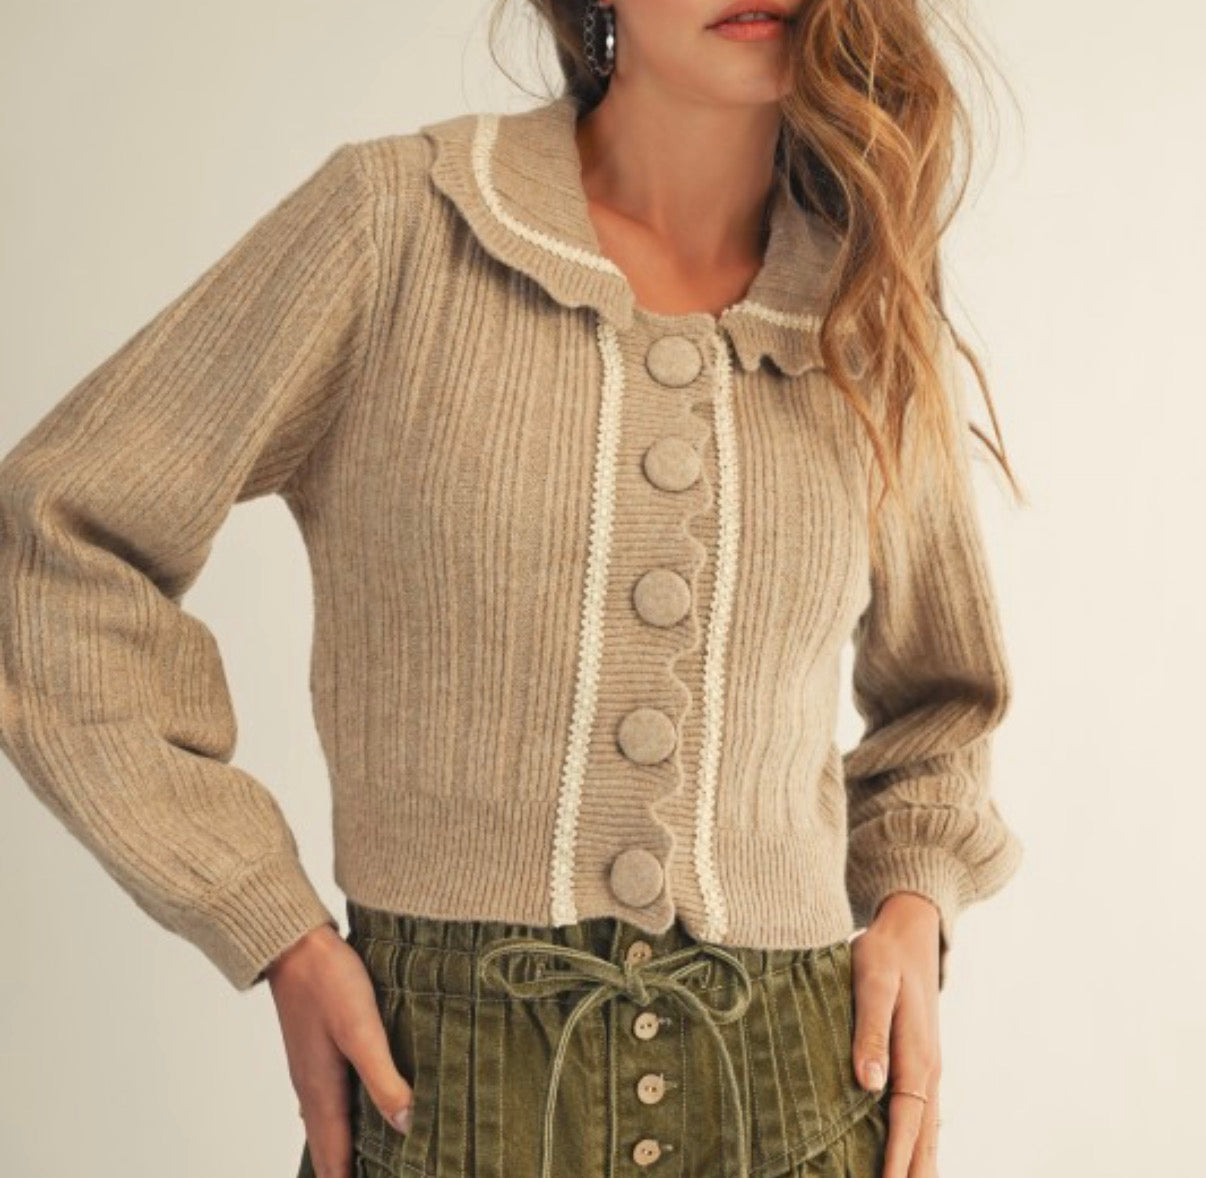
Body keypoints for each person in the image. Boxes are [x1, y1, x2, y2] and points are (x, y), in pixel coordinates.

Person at [0, 2, 1025, 1177]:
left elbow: (946, 701)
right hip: (444, 1100)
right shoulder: (396, 225)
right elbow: (53, 538)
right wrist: (270, 923)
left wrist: (912, 908)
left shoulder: (865, 304)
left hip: (805, 1100)